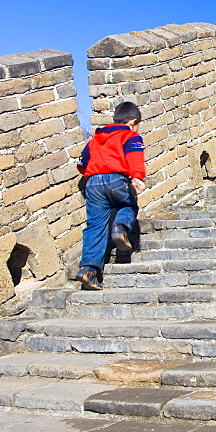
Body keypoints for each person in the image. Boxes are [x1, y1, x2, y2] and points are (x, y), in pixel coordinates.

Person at [73, 101, 147, 291]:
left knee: (95, 226)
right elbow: (134, 156)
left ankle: (88, 270)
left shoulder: (94, 140)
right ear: (132, 122)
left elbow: (81, 164)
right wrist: (137, 176)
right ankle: (120, 228)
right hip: (117, 178)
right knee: (128, 205)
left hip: (93, 183)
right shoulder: (130, 136)